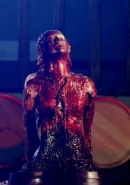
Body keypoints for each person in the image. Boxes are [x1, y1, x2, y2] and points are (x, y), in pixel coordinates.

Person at [22, 30, 97, 173]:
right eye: (52, 40)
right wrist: (31, 162)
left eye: (61, 38)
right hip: (46, 156)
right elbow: (29, 128)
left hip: (78, 156)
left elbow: (87, 129)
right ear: (43, 50)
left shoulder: (85, 84)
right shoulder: (34, 85)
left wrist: (88, 159)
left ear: (69, 47)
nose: (58, 40)